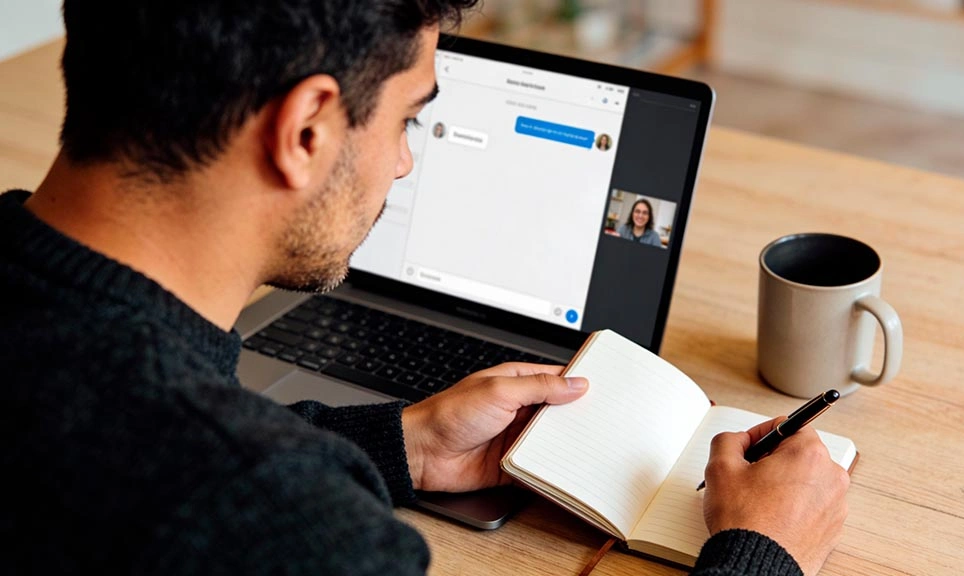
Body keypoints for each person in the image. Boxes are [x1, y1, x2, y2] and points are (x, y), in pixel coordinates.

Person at [0, 2, 849, 575]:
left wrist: (397, 443)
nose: (406, 161)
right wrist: (761, 552)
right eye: (409, 118)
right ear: (305, 130)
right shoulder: (289, 523)